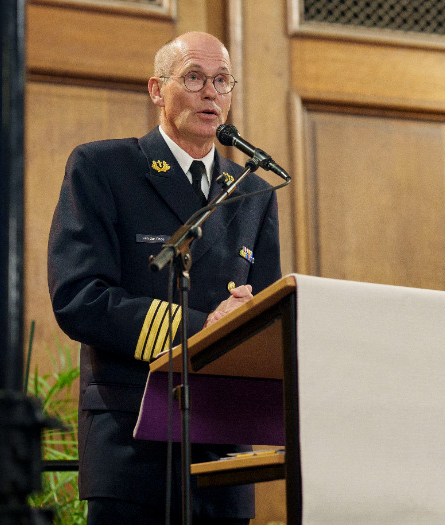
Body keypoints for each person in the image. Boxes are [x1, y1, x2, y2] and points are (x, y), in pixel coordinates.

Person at [47, 32, 281, 524]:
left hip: (223, 446)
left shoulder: (253, 192)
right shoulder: (105, 167)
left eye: (222, 81)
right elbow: (79, 298)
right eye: (194, 77)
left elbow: (267, 317)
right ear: (157, 89)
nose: (211, 93)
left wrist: (251, 323)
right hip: (131, 442)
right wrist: (207, 328)